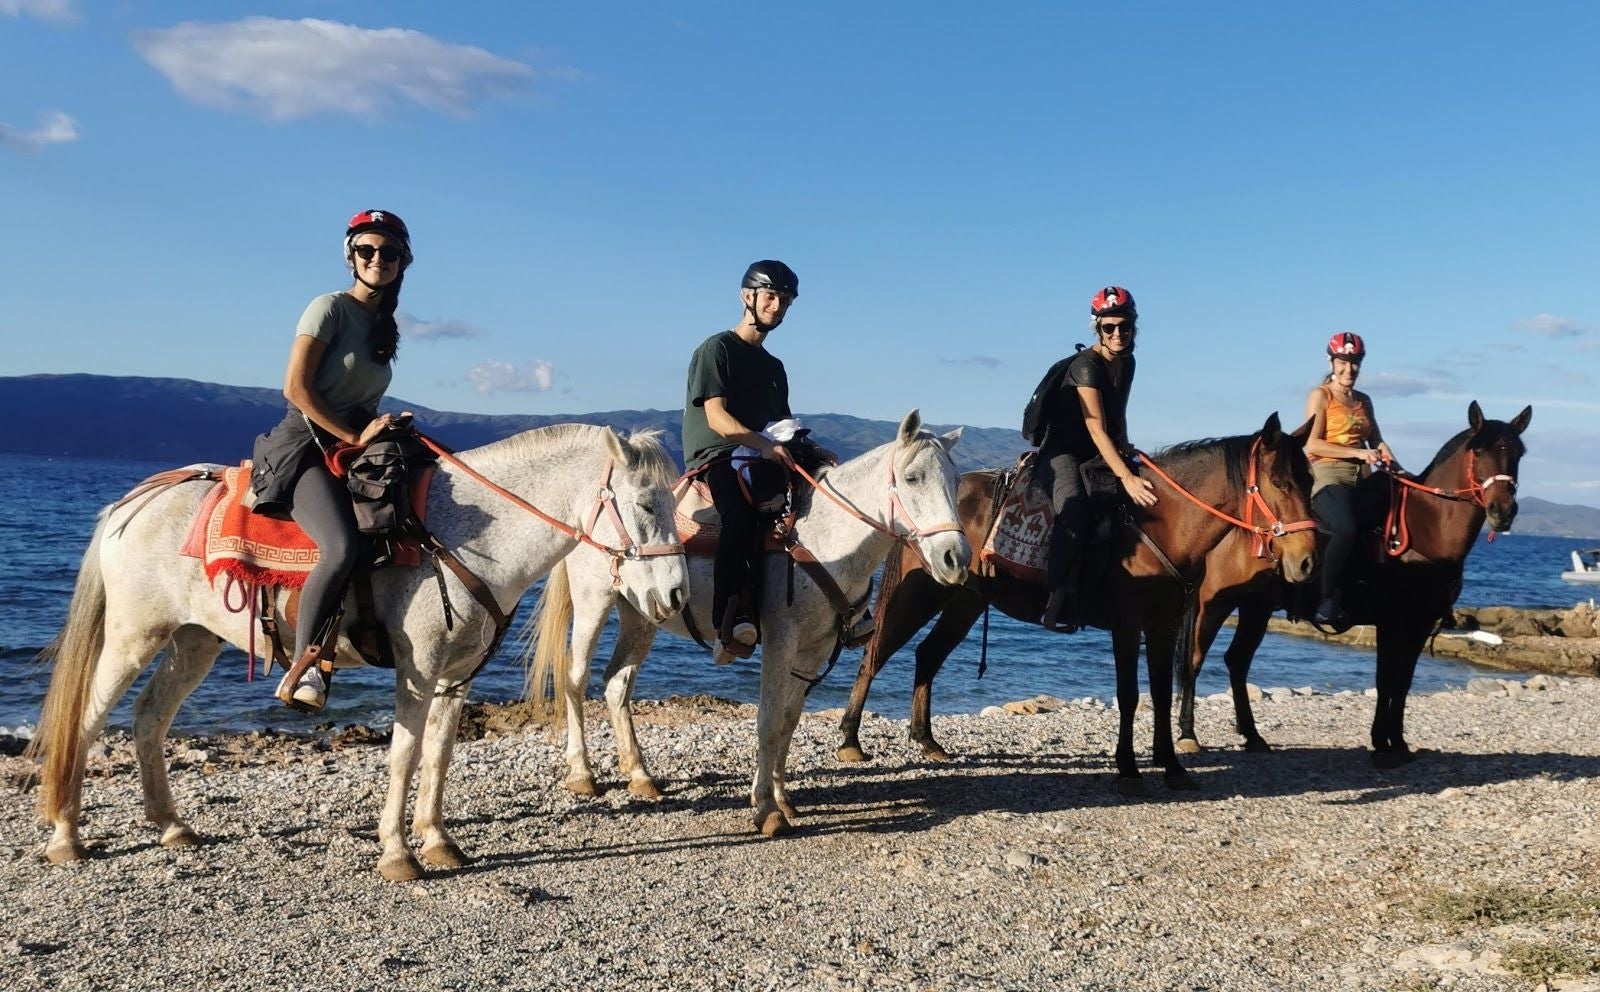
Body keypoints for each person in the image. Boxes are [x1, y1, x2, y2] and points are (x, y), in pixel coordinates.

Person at [249, 210, 415, 711]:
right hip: (303, 449)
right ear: (351, 257)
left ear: (402, 260)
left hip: (349, 446)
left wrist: (381, 429)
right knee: (341, 546)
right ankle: (304, 669)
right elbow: (295, 388)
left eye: (388, 252)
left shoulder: (383, 324)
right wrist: (354, 434)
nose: (377, 259)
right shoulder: (328, 308)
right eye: (366, 250)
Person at [682, 260, 807, 664]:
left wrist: (809, 452)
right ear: (747, 297)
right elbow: (717, 419)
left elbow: (780, 425)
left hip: (760, 453)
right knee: (739, 512)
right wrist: (764, 447)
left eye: (784, 300)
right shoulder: (716, 350)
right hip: (717, 455)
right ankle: (727, 620)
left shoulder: (775, 368)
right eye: (771, 296)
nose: (777, 306)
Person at [1023, 286, 1158, 632]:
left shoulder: (1127, 363)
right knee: (1075, 508)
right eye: (1108, 327)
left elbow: (1118, 415)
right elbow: (1096, 428)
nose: (1117, 334)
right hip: (1064, 453)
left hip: (1099, 452)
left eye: (1123, 327)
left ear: (1133, 327)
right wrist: (1126, 477)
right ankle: (1056, 598)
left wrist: (1127, 449)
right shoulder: (1085, 367)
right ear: (1097, 329)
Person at [1302, 331, 1396, 625]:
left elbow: (1377, 441)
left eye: (1355, 362)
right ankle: (1326, 599)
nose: (1349, 369)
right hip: (1329, 474)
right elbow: (1312, 444)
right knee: (1345, 528)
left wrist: (1392, 460)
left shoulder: (1364, 401)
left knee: (1395, 521)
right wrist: (1356, 454)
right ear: (1331, 361)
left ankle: (1375, 590)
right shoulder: (1322, 395)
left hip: (1363, 476)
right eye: (1343, 362)